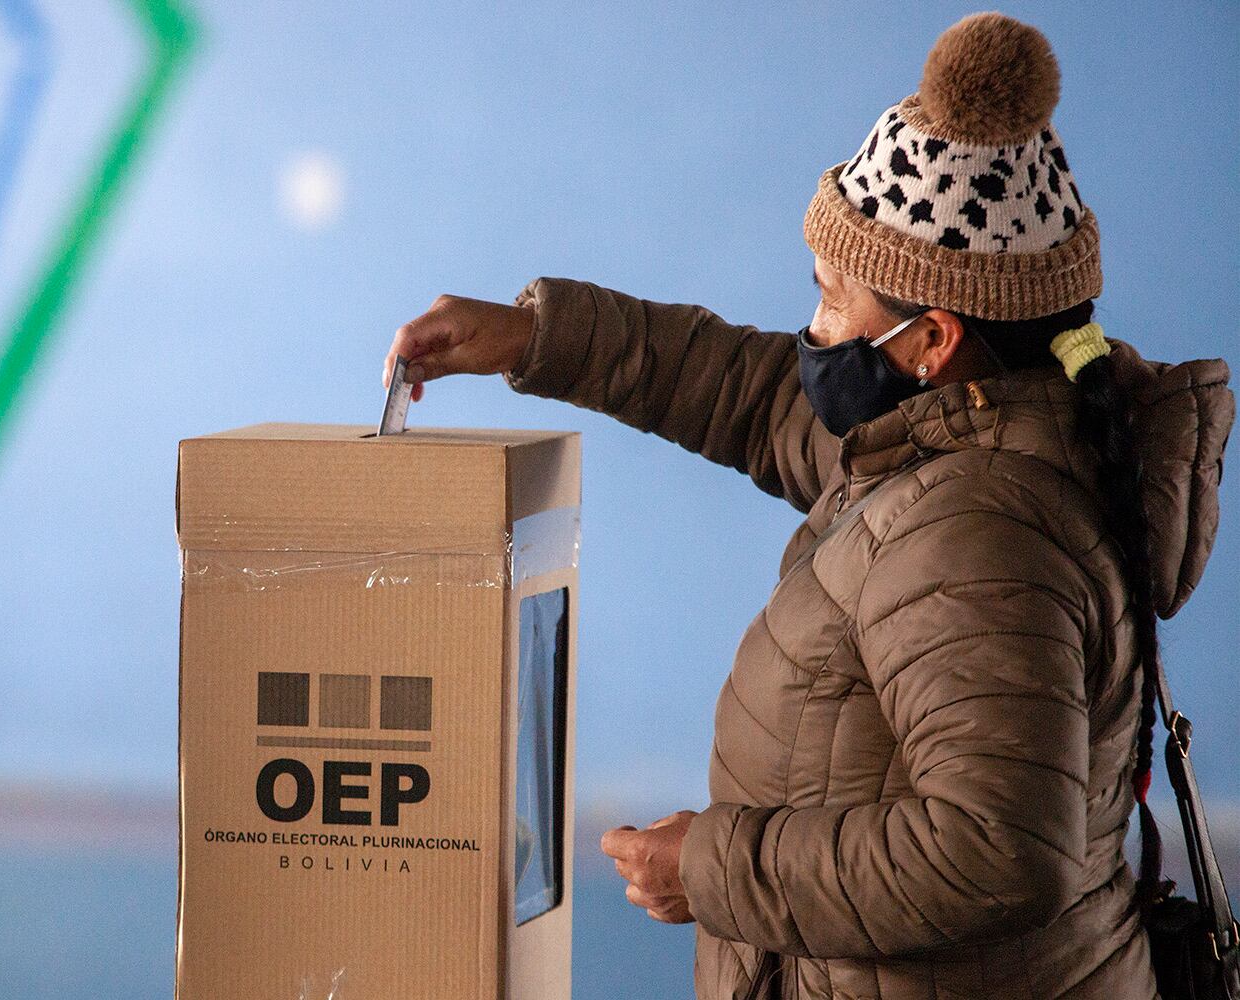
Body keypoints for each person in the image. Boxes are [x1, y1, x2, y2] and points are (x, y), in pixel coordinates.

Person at [381, 12, 1234, 999]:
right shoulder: (968, 434)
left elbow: (996, 851)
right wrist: (534, 335)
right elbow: (748, 395)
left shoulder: (978, 532)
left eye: (833, 296)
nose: (815, 328)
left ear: (932, 339)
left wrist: (708, 867)